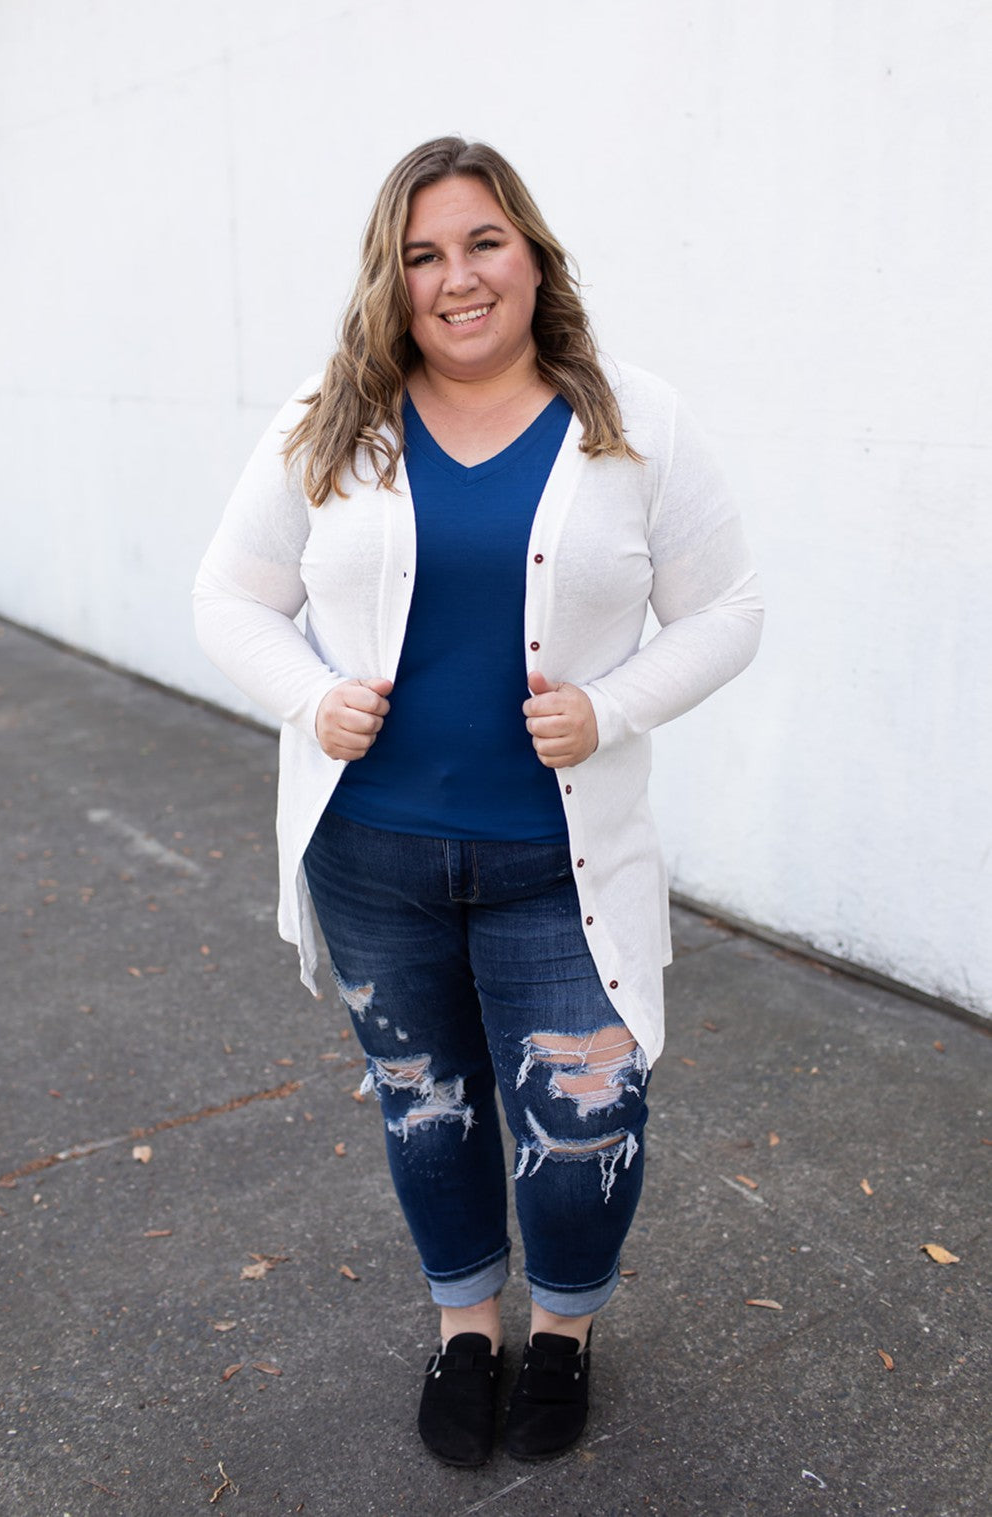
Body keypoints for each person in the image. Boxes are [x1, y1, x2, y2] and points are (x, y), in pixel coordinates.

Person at [193, 135, 763, 1467]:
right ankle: (467, 1328)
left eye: (483, 242)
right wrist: (310, 696)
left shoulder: (633, 421)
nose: (457, 278)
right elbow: (229, 597)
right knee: (426, 1106)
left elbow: (730, 609)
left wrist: (610, 706)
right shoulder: (328, 421)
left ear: (534, 257)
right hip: (371, 858)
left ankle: (561, 1331)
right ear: (389, 279)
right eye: (422, 254)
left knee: (585, 1121)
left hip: (559, 864)